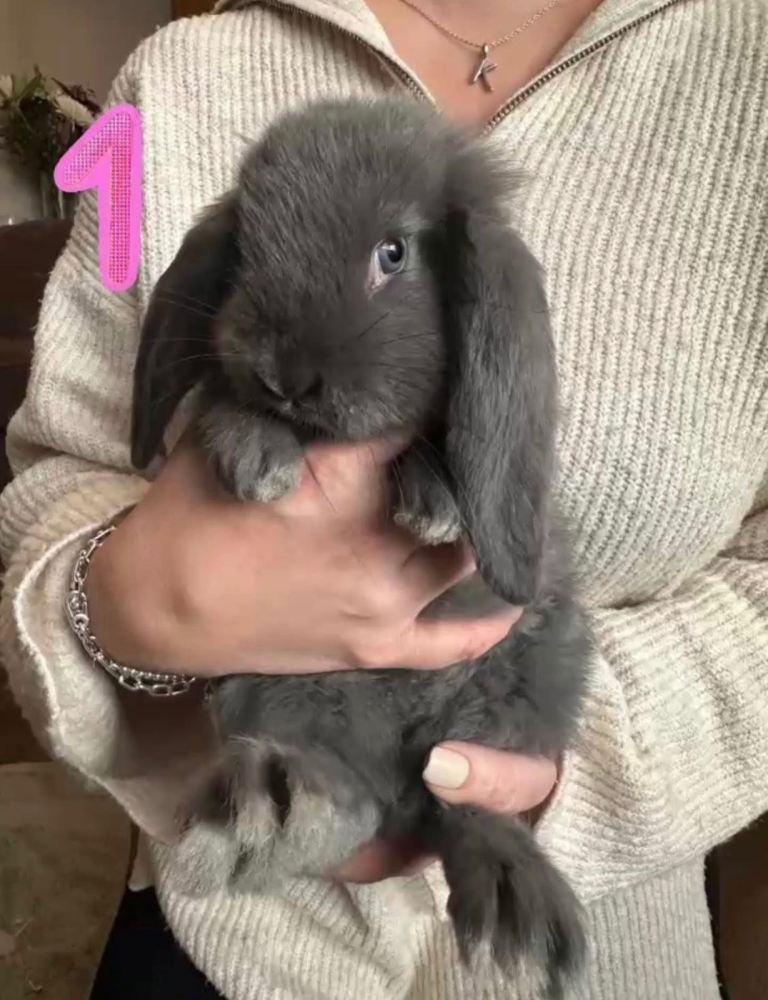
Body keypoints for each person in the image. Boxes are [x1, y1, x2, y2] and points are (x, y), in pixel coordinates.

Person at [1, 0, 766, 997]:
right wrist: (123, 604)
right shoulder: (173, 81)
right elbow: (58, 473)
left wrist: (549, 765)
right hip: (225, 924)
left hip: (574, 948)